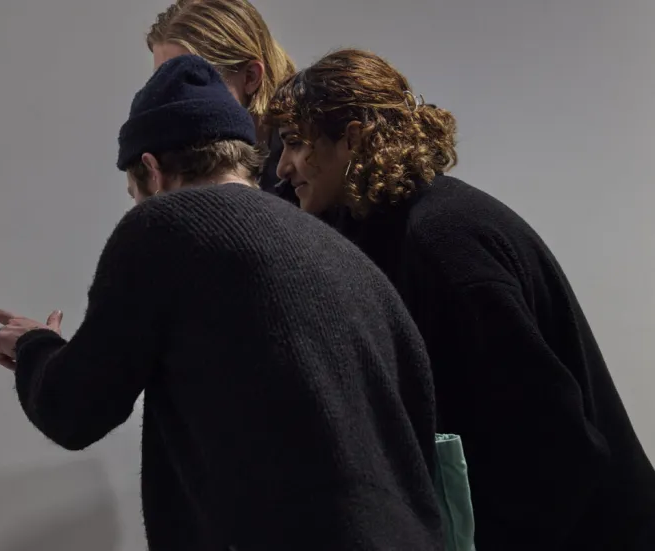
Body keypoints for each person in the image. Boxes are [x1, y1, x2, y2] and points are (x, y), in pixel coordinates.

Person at [0, 55, 445, 550]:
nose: (137, 205)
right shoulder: (340, 251)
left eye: (134, 193)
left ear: (153, 171)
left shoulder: (163, 226)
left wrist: (34, 345)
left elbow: (74, 409)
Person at [269, 48, 655, 551]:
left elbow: (553, 441)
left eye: (295, 142)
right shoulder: (382, 225)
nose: (283, 167)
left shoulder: (445, 242)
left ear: (353, 138)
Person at [146, 0, 298, 203]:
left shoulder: (310, 165)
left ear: (251, 77)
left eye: (191, 80)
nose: (169, 101)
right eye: (161, 82)